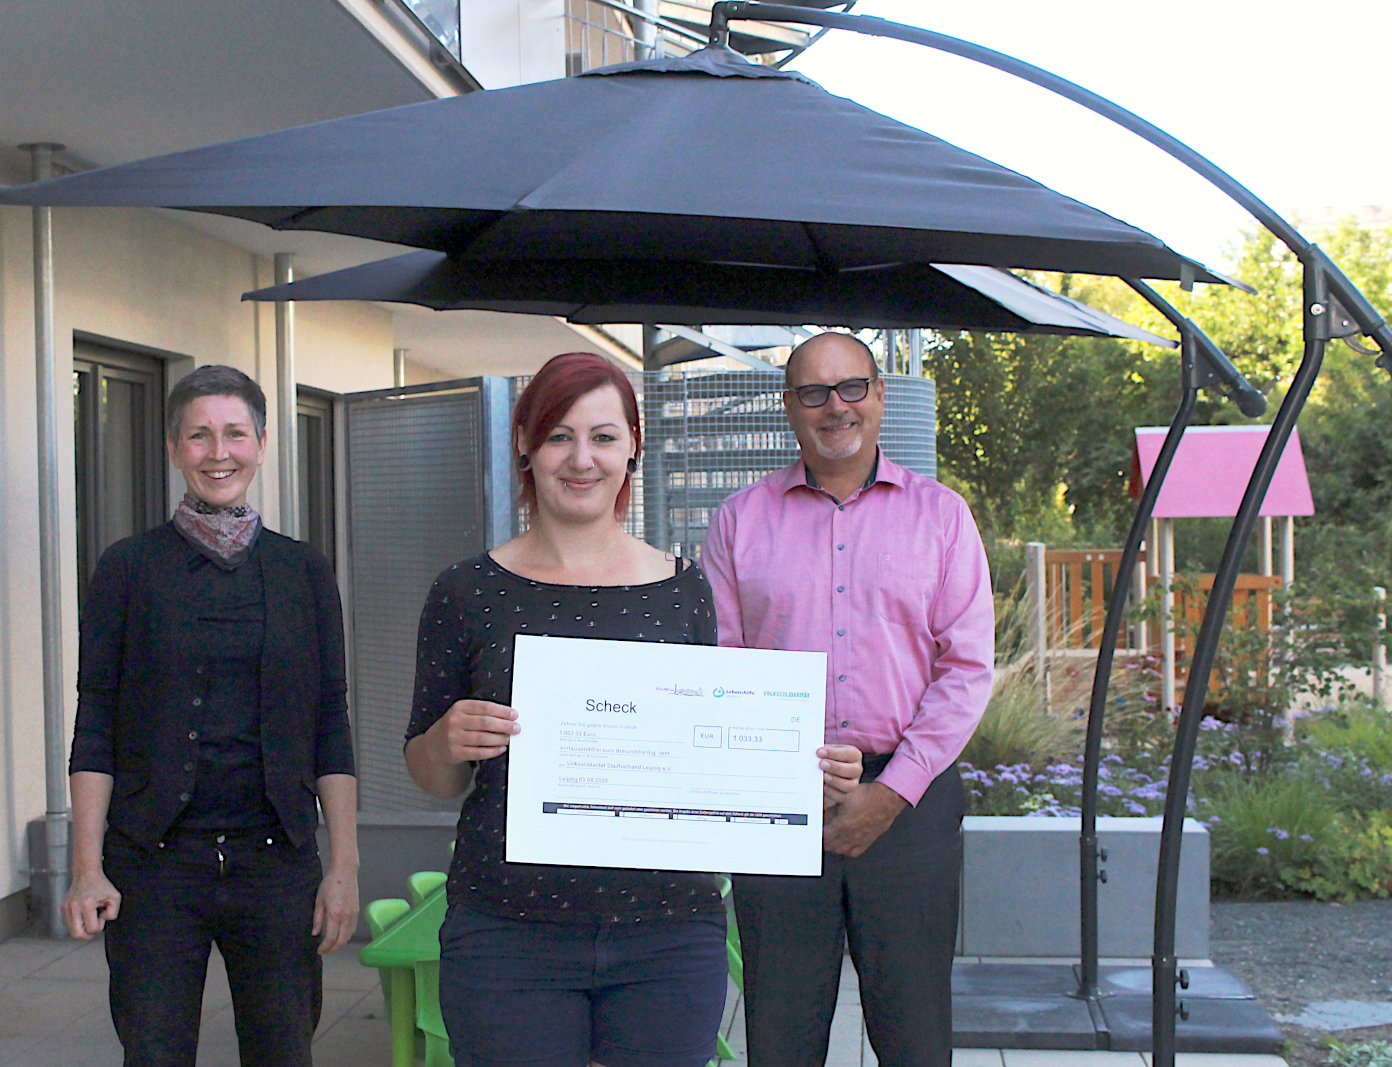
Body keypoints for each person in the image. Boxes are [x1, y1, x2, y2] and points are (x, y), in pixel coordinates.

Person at [404, 351, 728, 1067]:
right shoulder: (465, 590)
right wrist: (447, 739)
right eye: (559, 435)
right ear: (525, 441)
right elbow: (432, 776)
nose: (582, 459)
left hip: (668, 933)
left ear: (633, 447)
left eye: (604, 436)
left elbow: (704, 754)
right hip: (505, 932)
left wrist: (782, 769)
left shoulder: (685, 589)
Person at [701, 332, 994, 1067]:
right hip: (777, 800)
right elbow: (717, 665)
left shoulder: (943, 516)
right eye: (813, 391)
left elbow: (966, 669)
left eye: (852, 387)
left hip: (910, 802)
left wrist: (890, 793)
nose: (835, 406)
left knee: (915, 1035)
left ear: (880, 396)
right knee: (781, 1036)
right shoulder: (738, 521)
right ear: (789, 407)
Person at [61, 364, 359, 1067]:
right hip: (153, 866)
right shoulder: (127, 568)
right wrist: (85, 867)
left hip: (275, 864)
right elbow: (95, 720)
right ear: (173, 448)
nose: (217, 451)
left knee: (284, 1050)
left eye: (234, 433)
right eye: (198, 435)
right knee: (155, 1050)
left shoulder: (304, 571)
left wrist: (342, 865)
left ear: (261, 442)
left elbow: (330, 725)